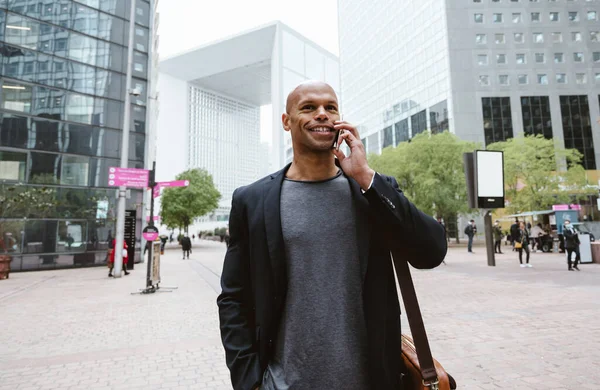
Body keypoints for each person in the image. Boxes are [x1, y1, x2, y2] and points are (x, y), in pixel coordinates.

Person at [217, 81, 447, 390]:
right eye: (309, 108)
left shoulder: (372, 191)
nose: (322, 114)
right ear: (287, 122)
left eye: (331, 107)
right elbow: (233, 297)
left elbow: (431, 252)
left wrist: (367, 177)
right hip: (283, 383)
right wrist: (250, 382)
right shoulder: (252, 200)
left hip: (372, 380)